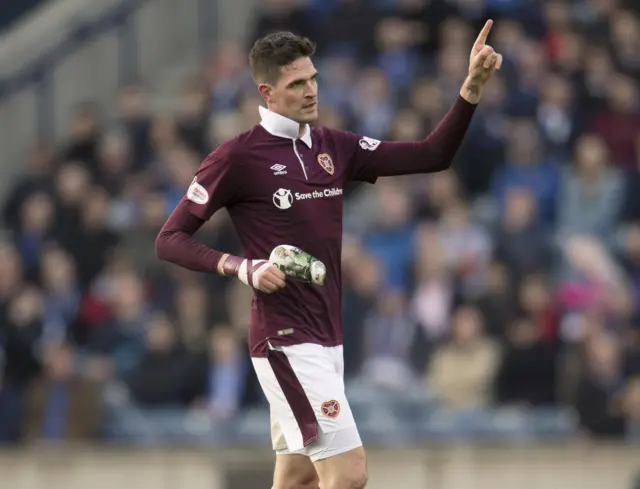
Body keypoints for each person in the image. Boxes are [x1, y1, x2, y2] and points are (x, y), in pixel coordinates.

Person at [156, 22, 502, 489]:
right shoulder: (236, 158)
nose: (310, 90)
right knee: (349, 473)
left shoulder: (334, 147)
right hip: (284, 340)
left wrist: (471, 89)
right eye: (296, 84)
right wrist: (242, 267)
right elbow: (170, 238)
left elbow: (432, 154)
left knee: (298, 478)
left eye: (313, 78)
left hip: (327, 337)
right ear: (267, 92)